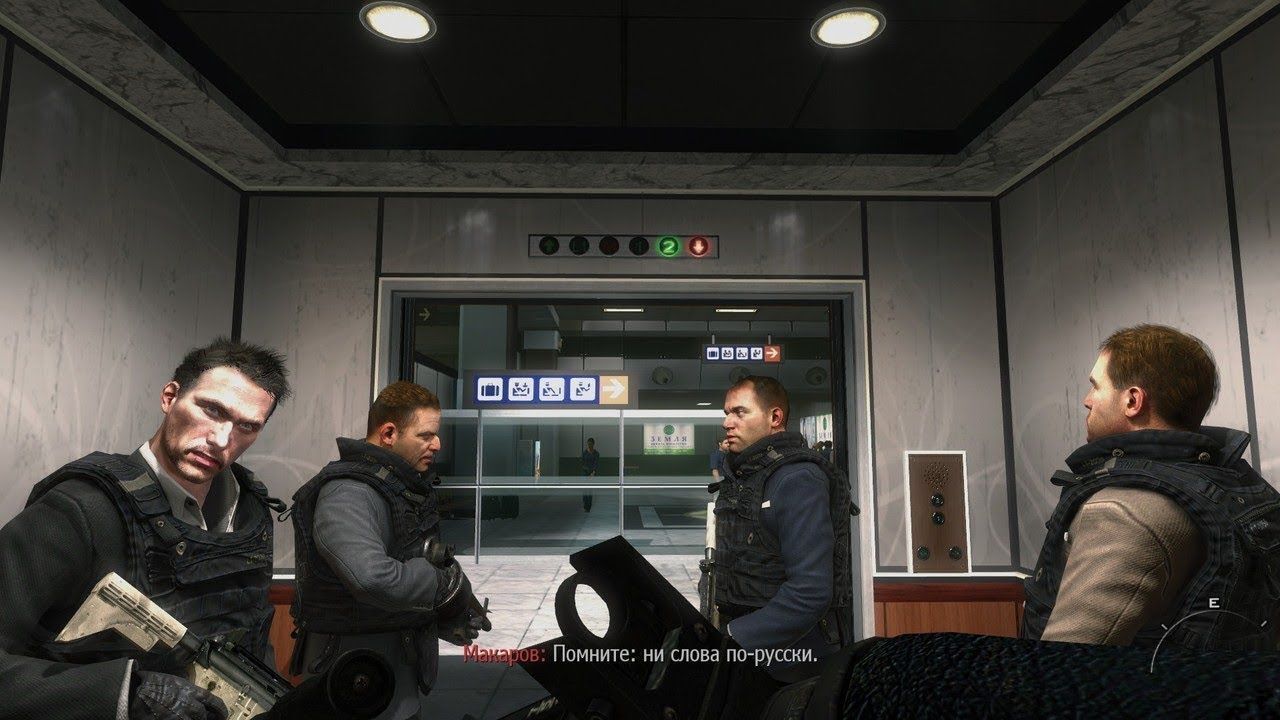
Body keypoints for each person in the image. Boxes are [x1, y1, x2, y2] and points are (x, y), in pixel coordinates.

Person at [0, 338, 291, 720]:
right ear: (170, 397)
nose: (222, 440)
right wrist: (125, 694)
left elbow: (252, 638)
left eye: (247, 426)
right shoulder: (82, 509)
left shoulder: (251, 515)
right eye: (211, 410)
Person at [1022, 324, 1280, 650]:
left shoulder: (1124, 512)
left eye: (1096, 386)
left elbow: (1067, 663)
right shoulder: (1234, 486)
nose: (1087, 401)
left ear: (1132, 400)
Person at [290, 381, 489, 720]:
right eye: (425, 435)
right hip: (350, 680)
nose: (437, 444)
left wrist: (444, 617)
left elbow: (404, 562)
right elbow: (372, 577)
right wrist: (443, 586)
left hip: (389, 676)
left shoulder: (396, 487)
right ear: (388, 433)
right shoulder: (348, 492)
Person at [713, 376, 856, 684]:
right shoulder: (748, 476)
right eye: (726, 413)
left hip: (793, 660)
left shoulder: (798, 478)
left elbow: (810, 591)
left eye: (740, 412)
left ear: (775, 417)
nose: (727, 422)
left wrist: (733, 638)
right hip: (753, 654)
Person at [581, 437, 600, 511]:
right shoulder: (584, 453)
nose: (589, 445)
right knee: (584, 490)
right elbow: (582, 463)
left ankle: (588, 506)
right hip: (585, 473)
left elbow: (596, 463)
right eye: (588, 444)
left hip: (592, 473)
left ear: (593, 444)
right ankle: (585, 505)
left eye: (590, 444)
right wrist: (585, 470)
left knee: (590, 490)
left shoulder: (596, 453)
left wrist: (593, 472)